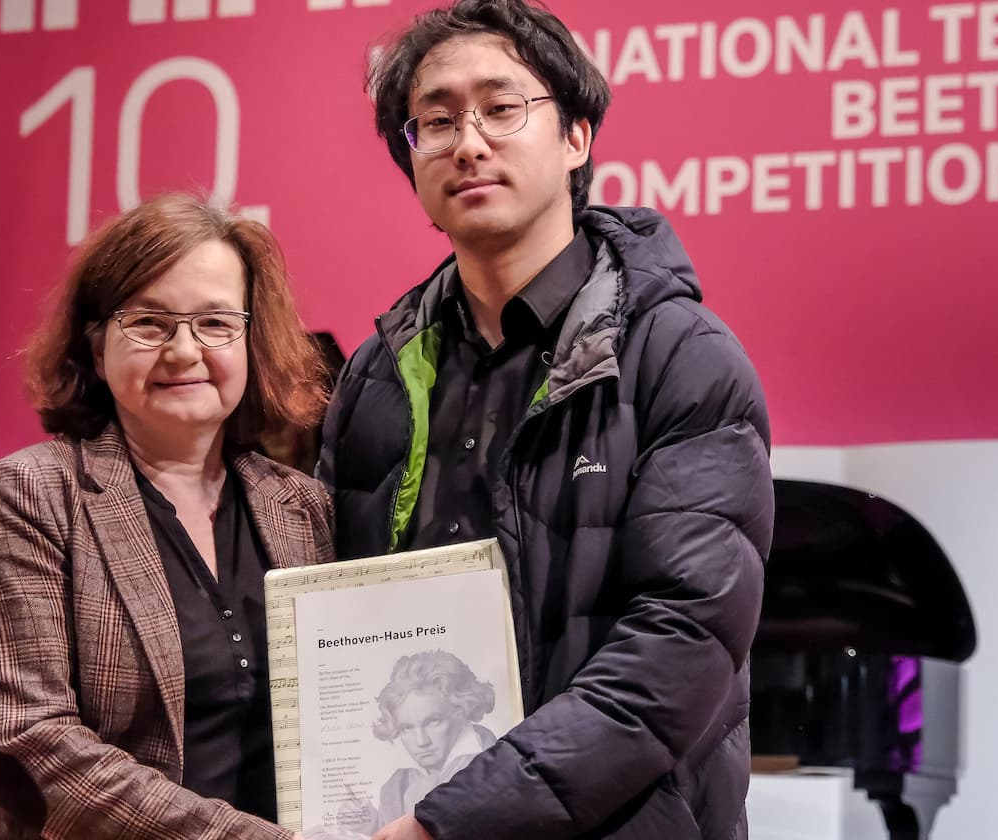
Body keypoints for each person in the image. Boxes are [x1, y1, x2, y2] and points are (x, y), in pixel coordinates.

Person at [317, 1, 775, 837]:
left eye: (501, 107)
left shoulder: (681, 356)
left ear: (576, 138)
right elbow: (334, 616)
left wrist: (456, 819)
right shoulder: (378, 374)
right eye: (436, 120)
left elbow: (679, 649)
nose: (469, 142)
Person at [0, 193, 334, 839]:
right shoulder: (31, 494)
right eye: (150, 323)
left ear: (251, 341)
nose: (185, 351)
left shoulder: (304, 509)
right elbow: (27, 741)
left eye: (216, 323)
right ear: (97, 347)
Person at [370, 651, 500, 824]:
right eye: (407, 728)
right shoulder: (395, 786)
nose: (422, 742)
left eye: (433, 722)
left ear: (460, 712)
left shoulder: (495, 765)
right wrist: (367, 825)